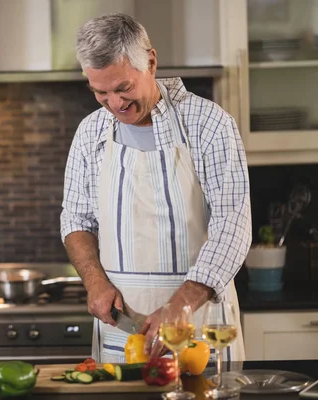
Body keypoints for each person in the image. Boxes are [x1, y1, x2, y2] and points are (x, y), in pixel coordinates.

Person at [60, 14, 251, 363]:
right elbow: (76, 219)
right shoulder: (90, 132)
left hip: (196, 322)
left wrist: (181, 305)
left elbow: (233, 226)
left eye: (123, 88)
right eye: (100, 92)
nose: (115, 104)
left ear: (150, 61)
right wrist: (94, 281)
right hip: (121, 328)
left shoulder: (209, 124)